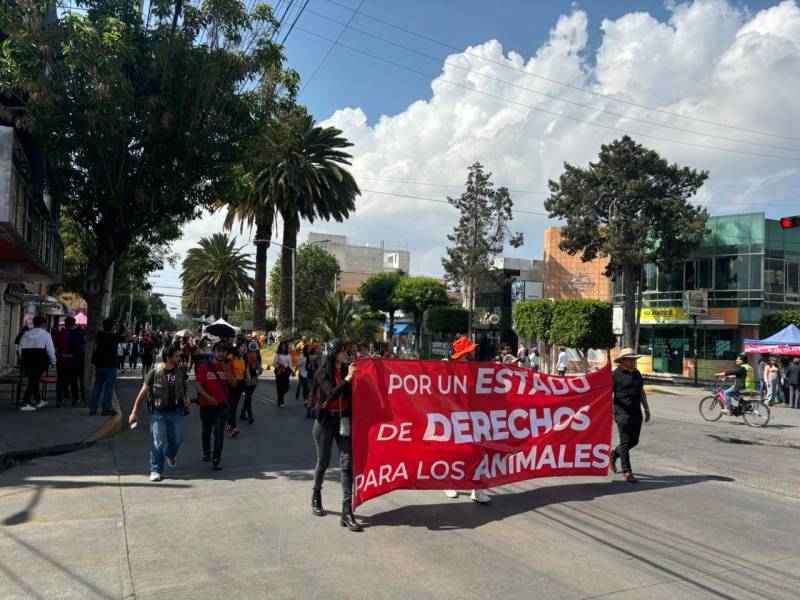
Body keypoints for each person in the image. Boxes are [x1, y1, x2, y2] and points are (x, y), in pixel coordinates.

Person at [310, 338, 361, 531]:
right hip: (325, 422)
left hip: (344, 421)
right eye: (341, 351)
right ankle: (316, 494)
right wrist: (348, 379)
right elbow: (331, 394)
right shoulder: (322, 373)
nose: (345, 354)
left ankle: (347, 511)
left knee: (347, 463)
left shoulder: (349, 368)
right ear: (332, 353)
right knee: (323, 462)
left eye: (345, 351)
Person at [443, 336, 493, 504]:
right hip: (454, 417)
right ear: (465, 353)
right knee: (454, 452)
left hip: (475, 416)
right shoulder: (447, 368)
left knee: (478, 452)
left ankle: (476, 489)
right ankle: (449, 483)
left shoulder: (475, 368)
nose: (474, 351)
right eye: (471, 349)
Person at [128, 346, 188, 482]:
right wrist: (134, 412)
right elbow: (142, 393)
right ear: (168, 358)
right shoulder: (154, 372)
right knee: (158, 442)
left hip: (176, 412)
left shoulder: (180, 371)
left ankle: (170, 454)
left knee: (177, 440)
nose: (178, 358)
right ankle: (155, 470)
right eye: (176, 356)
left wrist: (187, 397)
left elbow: (184, 384)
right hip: (158, 413)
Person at [610, 348, 651, 483]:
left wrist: (646, 408)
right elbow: (607, 393)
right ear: (623, 360)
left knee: (634, 441)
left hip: (636, 412)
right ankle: (627, 471)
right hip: (621, 412)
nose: (634, 361)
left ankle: (614, 454)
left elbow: (641, 391)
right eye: (631, 359)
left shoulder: (637, 374)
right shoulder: (615, 375)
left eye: (634, 359)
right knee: (625, 441)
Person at [195, 341, 230, 470]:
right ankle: (206, 451)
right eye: (219, 351)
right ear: (214, 352)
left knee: (219, 432)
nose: (222, 353)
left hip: (221, 406)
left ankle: (216, 459)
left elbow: (233, 384)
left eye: (224, 351)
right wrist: (208, 397)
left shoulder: (227, 366)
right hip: (206, 405)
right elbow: (198, 385)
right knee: (206, 431)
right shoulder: (205, 366)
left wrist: (227, 371)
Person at [18, 316, 57, 412]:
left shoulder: (25, 335)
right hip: (40, 359)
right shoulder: (46, 335)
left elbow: (19, 349)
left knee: (33, 379)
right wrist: (53, 361)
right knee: (34, 380)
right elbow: (50, 349)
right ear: (43, 324)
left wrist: (22, 359)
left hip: (27, 359)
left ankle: (39, 400)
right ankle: (25, 402)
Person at [90, 319, 127, 416]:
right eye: (114, 325)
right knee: (109, 388)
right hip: (110, 365)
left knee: (97, 386)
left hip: (99, 365)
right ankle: (106, 408)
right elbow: (129, 337)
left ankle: (93, 409)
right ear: (112, 327)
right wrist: (125, 326)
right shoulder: (115, 336)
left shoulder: (100, 335)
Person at [54, 316, 86, 407]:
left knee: (60, 381)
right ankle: (75, 399)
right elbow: (82, 347)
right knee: (73, 380)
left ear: (65, 323)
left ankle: (59, 401)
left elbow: (56, 347)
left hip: (62, 360)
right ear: (74, 324)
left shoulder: (59, 334)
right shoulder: (79, 335)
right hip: (74, 360)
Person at [226, 342, 247, 437]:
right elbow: (226, 366)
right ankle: (233, 427)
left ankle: (229, 424)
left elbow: (244, 371)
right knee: (232, 406)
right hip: (231, 383)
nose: (245, 348)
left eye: (245, 347)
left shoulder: (243, 358)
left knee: (234, 406)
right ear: (238, 348)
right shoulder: (231, 356)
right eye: (243, 346)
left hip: (241, 383)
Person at [240, 341, 263, 424]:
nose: (253, 349)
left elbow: (257, 364)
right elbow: (245, 365)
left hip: (253, 375)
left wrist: (260, 368)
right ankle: (250, 416)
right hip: (246, 375)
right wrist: (247, 374)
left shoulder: (256, 354)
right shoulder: (245, 354)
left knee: (248, 396)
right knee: (248, 396)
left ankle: (243, 412)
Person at [273, 341, 292, 407]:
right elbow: (274, 364)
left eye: (284, 346)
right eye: (282, 346)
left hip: (286, 372)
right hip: (279, 371)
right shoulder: (277, 354)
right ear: (280, 347)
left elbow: (290, 364)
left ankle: (280, 397)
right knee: (279, 386)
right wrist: (280, 366)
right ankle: (281, 401)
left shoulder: (289, 355)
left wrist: (291, 370)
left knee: (286, 387)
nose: (283, 347)